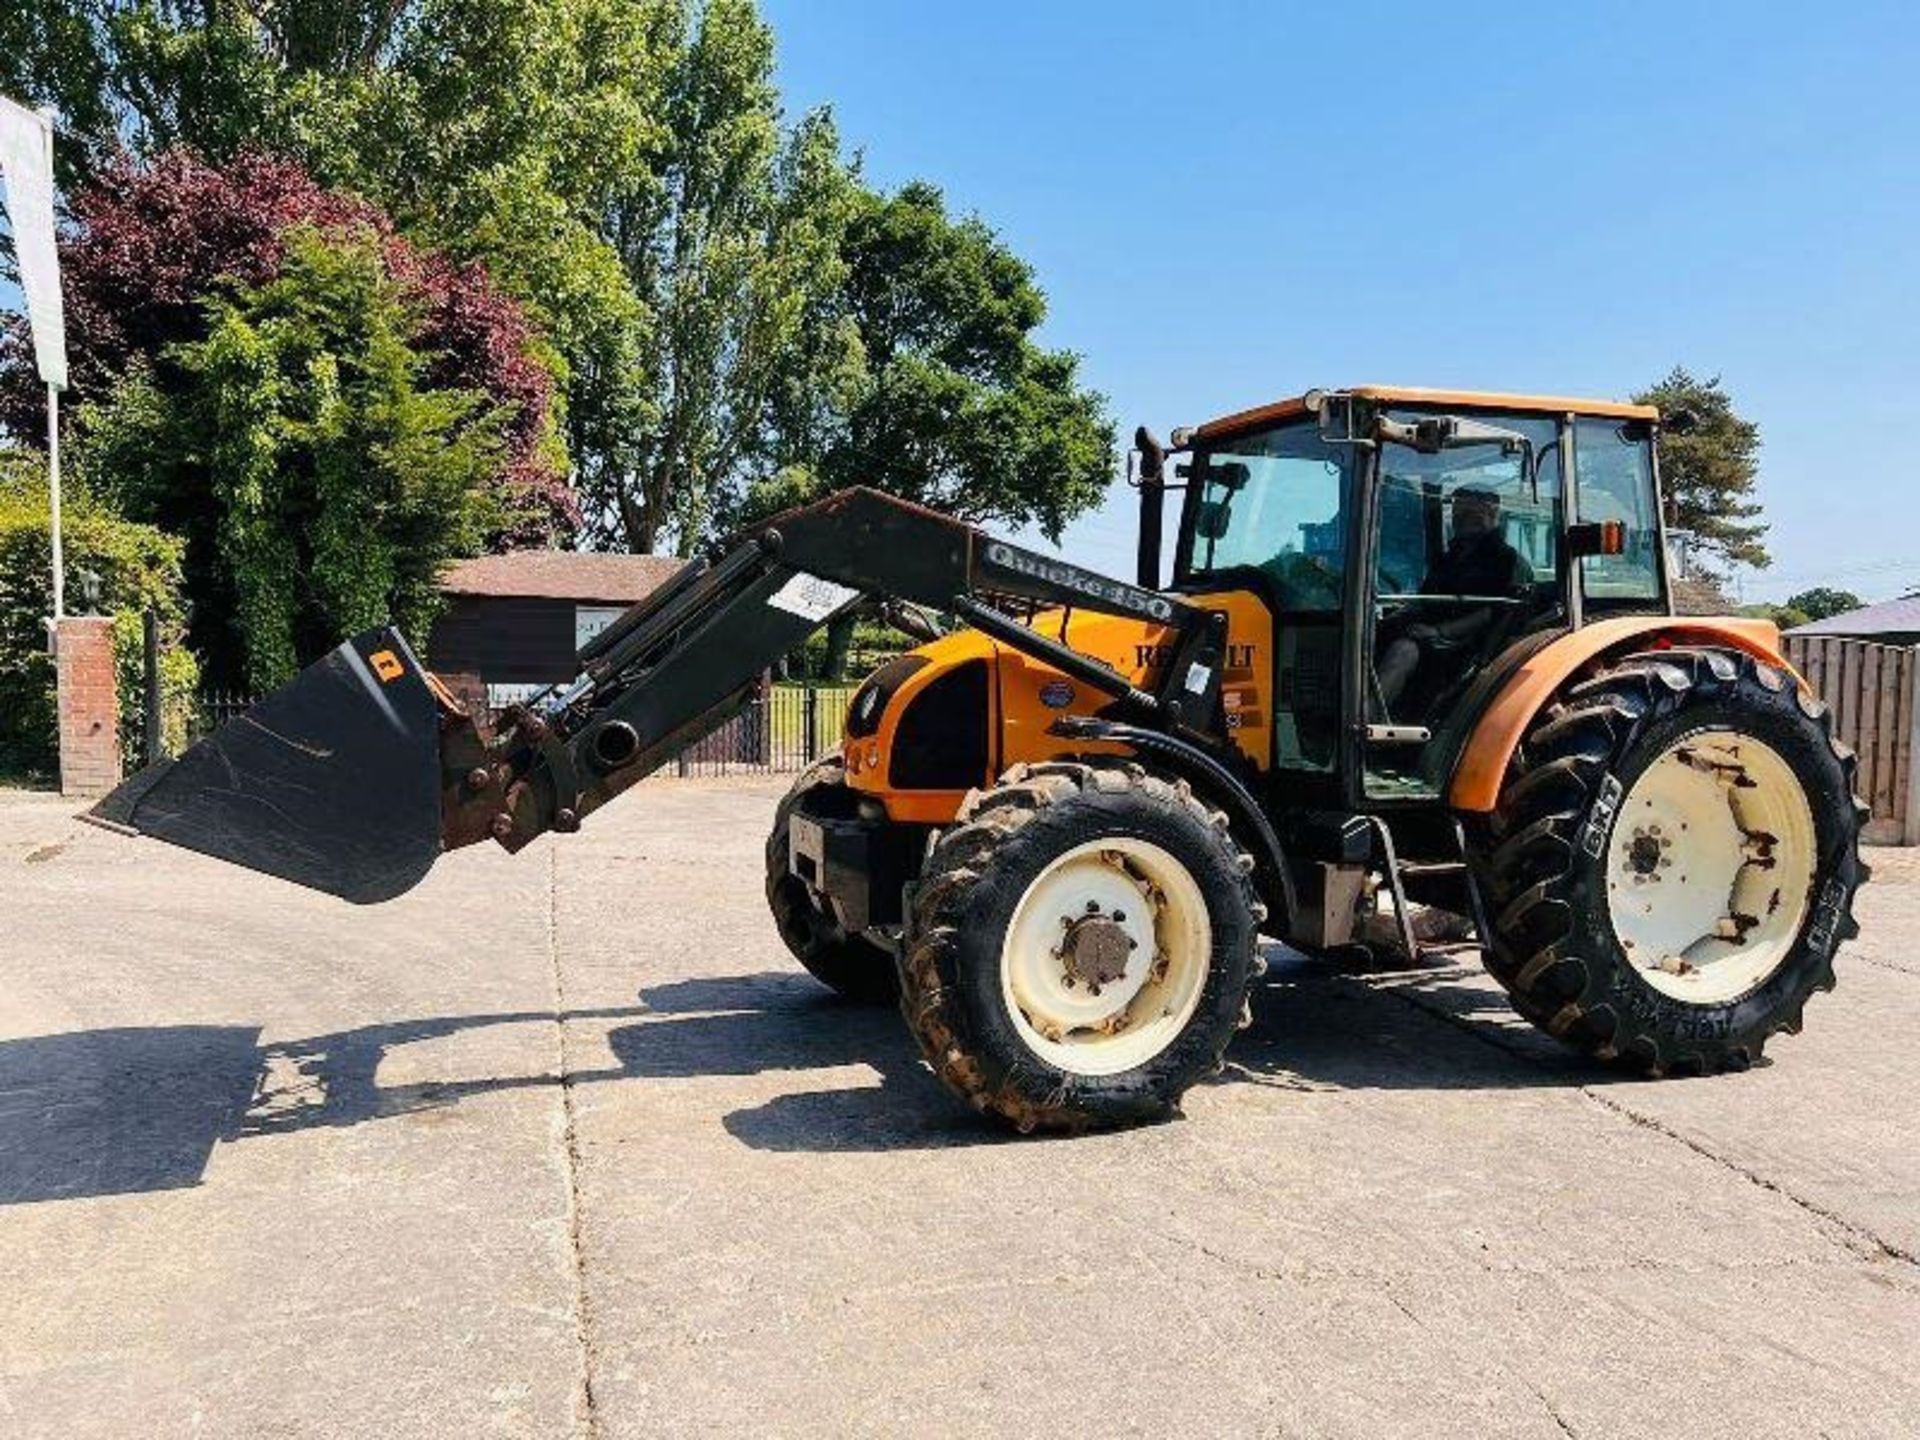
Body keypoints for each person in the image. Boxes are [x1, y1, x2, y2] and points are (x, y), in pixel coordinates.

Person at [1376, 486, 1533, 712]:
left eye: (1471, 513)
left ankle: (1368, 720)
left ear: (1492, 515)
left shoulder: (1506, 560)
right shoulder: (1450, 557)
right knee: (1373, 636)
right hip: (1432, 633)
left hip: (1472, 646)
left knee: (1403, 650)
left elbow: (1496, 612)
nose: (1461, 519)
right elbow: (1426, 598)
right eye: (1458, 512)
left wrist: (1440, 631)